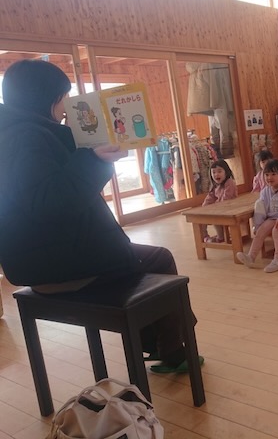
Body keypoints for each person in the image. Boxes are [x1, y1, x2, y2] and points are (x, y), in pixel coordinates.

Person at [0, 59, 200, 373]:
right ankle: (171, 349)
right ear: (48, 98)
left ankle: (159, 343)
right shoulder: (28, 137)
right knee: (159, 259)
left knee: (148, 258)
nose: (65, 107)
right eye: (63, 97)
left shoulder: (12, 132)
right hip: (56, 265)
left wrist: (87, 156)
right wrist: (94, 160)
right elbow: (51, 203)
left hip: (34, 258)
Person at [237, 159, 278, 273]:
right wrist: (258, 225)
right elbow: (261, 208)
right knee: (260, 231)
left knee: (276, 231)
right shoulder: (265, 192)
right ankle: (251, 257)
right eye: (267, 174)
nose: (269, 177)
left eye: (273, 174)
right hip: (273, 218)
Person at [201, 159, 237, 243]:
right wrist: (204, 208)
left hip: (230, 208)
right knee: (200, 217)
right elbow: (209, 198)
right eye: (213, 172)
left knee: (214, 216)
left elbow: (226, 199)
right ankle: (205, 236)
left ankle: (221, 237)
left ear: (226, 172)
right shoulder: (215, 185)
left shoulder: (229, 182)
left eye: (219, 171)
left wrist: (214, 207)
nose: (216, 174)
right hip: (219, 209)